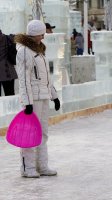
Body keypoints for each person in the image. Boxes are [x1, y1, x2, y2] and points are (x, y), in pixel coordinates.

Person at [14, 20, 60, 178]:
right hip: (32, 99)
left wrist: (54, 95)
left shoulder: (39, 50)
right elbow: (24, 79)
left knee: (43, 133)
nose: (44, 36)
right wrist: (27, 103)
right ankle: (28, 168)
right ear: (35, 34)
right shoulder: (24, 52)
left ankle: (42, 165)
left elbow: (46, 77)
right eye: (42, 34)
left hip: (44, 96)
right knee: (30, 133)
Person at [0, 29, 18, 96]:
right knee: (10, 95)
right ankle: (11, 106)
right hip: (8, 71)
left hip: (7, 71)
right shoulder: (8, 38)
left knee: (10, 94)